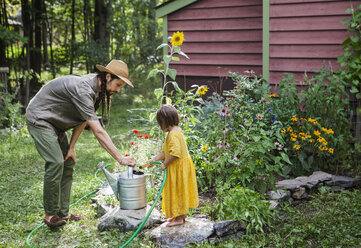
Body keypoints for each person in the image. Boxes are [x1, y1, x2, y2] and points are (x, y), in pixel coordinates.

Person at [26, 59, 136, 227]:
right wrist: (120, 158)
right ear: (107, 77)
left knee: (67, 162)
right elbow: (98, 131)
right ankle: (50, 215)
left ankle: (63, 213)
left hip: (56, 123)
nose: (119, 90)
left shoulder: (98, 90)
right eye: (118, 85)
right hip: (40, 118)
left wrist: (71, 148)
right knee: (56, 162)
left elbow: (83, 119)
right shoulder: (84, 89)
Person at [146, 104, 199, 227]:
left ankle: (180, 219)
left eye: (160, 124)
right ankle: (179, 215)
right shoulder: (176, 131)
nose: (160, 127)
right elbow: (166, 152)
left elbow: (175, 154)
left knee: (178, 191)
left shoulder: (173, 135)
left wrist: (164, 164)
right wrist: (153, 160)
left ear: (165, 121)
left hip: (178, 168)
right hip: (180, 167)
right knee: (178, 191)